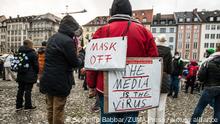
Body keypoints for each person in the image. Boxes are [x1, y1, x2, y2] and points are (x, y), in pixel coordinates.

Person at [86, 0, 158, 123]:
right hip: (134, 90)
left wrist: (91, 85)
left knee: (108, 120)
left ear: (112, 12)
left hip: (106, 88)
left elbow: (92, 64)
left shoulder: (101, 31)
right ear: (130, 11)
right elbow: (154, 61)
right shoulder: (145, 32)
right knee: (130, 120)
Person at [40, 15, 84, 124]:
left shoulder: (52, 38)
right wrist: (81, 55)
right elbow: (74, 63)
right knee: (58, 110)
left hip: (47, 79)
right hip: (60, 80)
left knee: (50, 109)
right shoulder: (68, 41)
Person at [190, 45, 220, 124]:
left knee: (200, 108)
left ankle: (193, 122)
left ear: (217, 50)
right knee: (218, 110)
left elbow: (201, 77)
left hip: (210, 87)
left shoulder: (208, 61)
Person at [148, 34, 172, 124]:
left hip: (152, 77)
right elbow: (170, 69)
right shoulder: (168, 52)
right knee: (161, 104)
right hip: (164, 78)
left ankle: (150, 122)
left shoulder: (152, 49)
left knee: (151, 104)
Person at [16, 39, 39, 111]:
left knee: (20, 89)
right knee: (28, 90)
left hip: (20, 73)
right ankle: (28, 106)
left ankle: (18, 105)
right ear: (30, 45)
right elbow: (36, 65)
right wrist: (37, 71)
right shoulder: (32, 53)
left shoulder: (19, 52)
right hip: (30, 74)